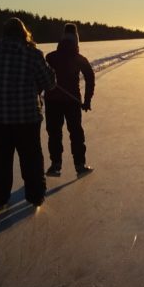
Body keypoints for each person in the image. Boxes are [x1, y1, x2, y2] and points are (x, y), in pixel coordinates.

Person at [0, 17, 56, 210]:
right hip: (26, 117)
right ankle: (35, 196)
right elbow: (50, 82)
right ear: (23, 33)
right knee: (31, 157)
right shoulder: (33, 55)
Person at [44, 23, 95, 177]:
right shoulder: (80, 58)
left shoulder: (50, 57)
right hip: (72, 102)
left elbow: (41, 78)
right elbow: (90, 78)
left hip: (52, 101)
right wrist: (87, 100)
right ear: (76, 40)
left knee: (54, 133)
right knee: (76, 133)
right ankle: (80, 165)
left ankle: (55, 165)